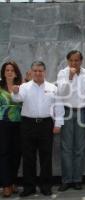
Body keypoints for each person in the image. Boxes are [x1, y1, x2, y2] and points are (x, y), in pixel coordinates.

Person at [11, 61, 64, 197]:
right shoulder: (24, 87)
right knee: (28, 157)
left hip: (46, 124)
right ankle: (29, 187)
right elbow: (17, 99)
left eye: (40, 70)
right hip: (28, 124)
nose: (38, 73)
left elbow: (59, 106)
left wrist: (58, 123)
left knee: (46, 157)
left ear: (44, 72)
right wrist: (15, 92)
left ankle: (46, 186)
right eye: (35, 70)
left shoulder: (53, 88)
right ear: (31, 71)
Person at [57, 50, 85, 191]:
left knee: (80, 148)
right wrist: (70, 78)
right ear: (68, 61)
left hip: (82, 112)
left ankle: (77, 179)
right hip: (67, 112)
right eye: (71, 60)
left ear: (81, 61)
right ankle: (66, 180)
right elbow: (61, 93)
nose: (74, 63)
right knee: (66, 148)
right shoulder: (62, 73)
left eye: (76, 60)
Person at [0, 61, 22, 197]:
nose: (9, 72)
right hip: (3, 123)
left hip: (19, 124)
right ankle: (6, 185)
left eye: (12, 70)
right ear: (3, 72)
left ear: (16, 72)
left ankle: (13, 182)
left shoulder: (21, 86)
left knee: (16, 154)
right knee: (4, 154)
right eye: (7, 70)